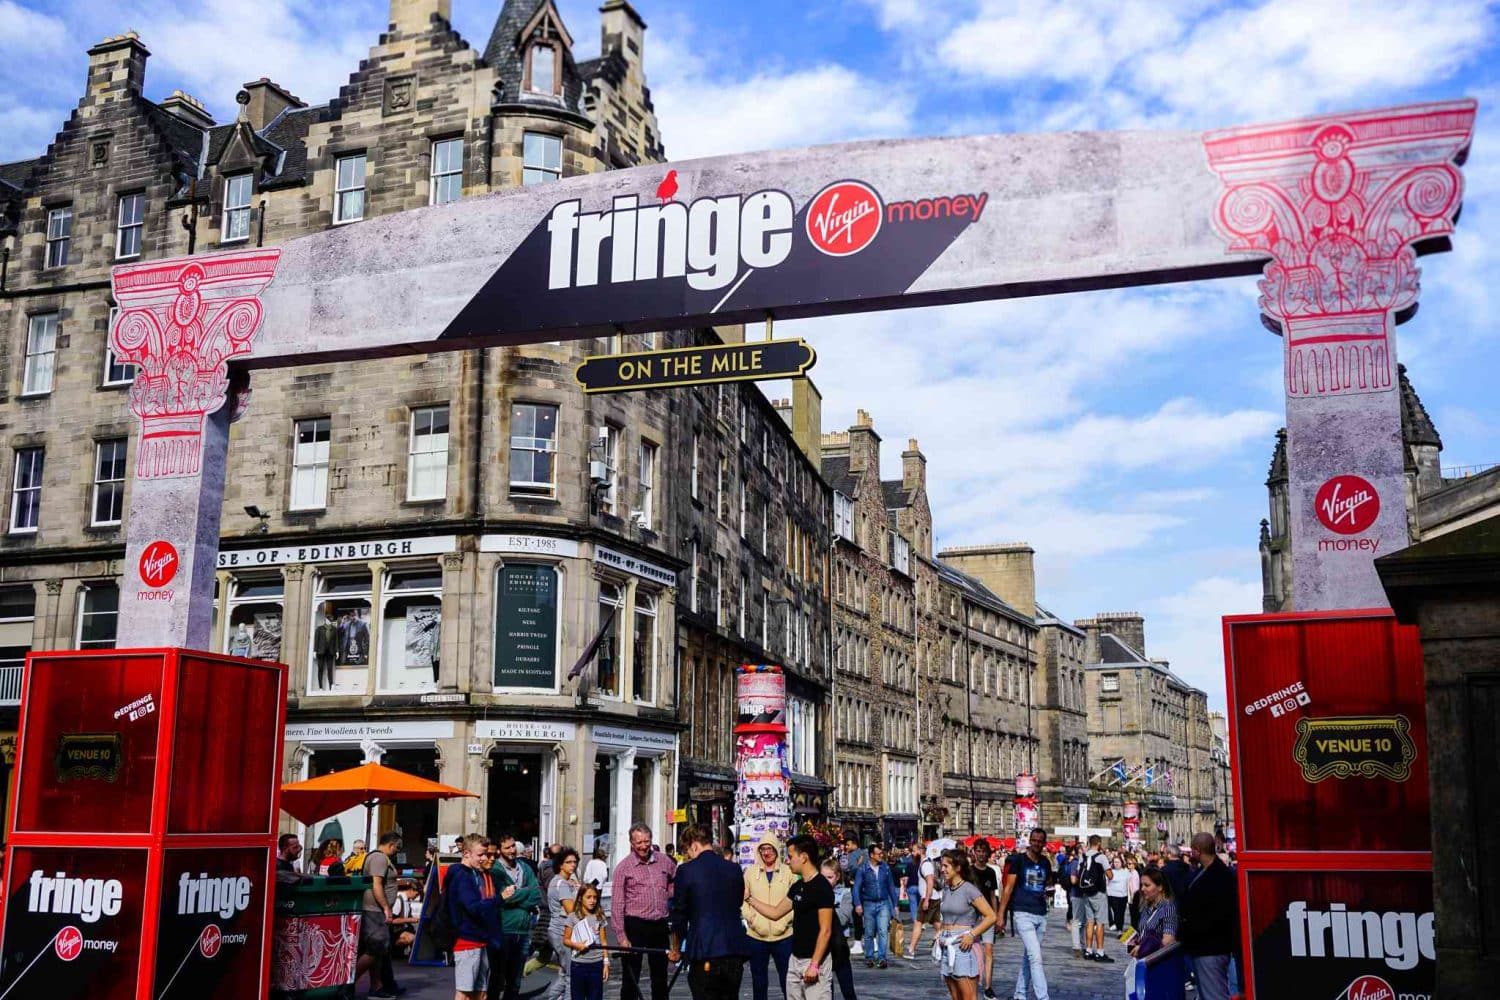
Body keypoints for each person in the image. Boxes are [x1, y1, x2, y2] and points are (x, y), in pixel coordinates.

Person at [745, 835, 834, 1000]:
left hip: (814, 960)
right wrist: (749, 899)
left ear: (804, 857)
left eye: (791, 856)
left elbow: (826, 930)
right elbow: (775, 912)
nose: (788, 860)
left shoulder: (821, 887)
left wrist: (814, 965)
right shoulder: (797, 887)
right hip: (795, 959)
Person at [668, 824, 751, 1000]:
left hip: (704, 949)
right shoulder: (733, 868)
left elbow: (679, 914)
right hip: (733, 949)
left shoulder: (686, 871)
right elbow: (737, 902)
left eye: (688, 851)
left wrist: (676, 947)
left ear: (694, 845)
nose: (688, 856)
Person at [610, 823, 677, 1000]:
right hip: (635, 925)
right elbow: (617, 904)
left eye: (646, 841)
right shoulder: (623, 868)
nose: (643, 846)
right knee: (631, 977)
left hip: (659, 925)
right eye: (638, 842)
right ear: (631, 843)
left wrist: (667, 893)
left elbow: (675, 880)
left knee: (660, 976)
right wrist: (621, 937)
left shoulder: (664, 861)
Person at [996, 827, 1054, 1000]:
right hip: (1022, 913)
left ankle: (1020, 994)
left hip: (1041, 913)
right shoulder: (1019, 861)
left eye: (1039, 841)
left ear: (1044, 843)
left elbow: (1049, 884)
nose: (1036, 843)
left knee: (1029, 957)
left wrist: (1050, 890)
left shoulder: (1045, 862)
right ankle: (1043, 997)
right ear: (1030, 841)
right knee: (1036, 957)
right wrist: (1001, 914)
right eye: (1034, 840)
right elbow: (1008, 889)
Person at [1179, 833, 1239, 1000]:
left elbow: (1216, 913)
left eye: (1192, 850)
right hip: (1204, 945)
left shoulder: (1219, 875)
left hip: (1211, 946)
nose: (1191, 853)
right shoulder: (1204, 872)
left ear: (1198, 850)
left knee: (1214, 995)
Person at [935, 850, 996, 1000]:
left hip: (963, 946)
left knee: (968, 997)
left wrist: (972, 935)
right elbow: (948, 916)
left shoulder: (969, 889)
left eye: (946, 866)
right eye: (942, 866)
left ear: (958, 868)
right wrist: (940, 931)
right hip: (946, 945)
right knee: (955, 997)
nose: (942, 869)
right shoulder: (947, 888)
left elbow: (991, 916)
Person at [450, 833, 504, 1000]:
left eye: (486, 854)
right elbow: (473, 907)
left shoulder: (476, 874)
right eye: (480, 854)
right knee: (464, 993)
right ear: (466, 853)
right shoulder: (462, 875)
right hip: (467, 939)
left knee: (480, 994)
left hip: (481, 938)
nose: (484, 858)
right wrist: (500, 898)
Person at [742, 836, 796, 1000]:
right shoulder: (750, 873)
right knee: (759, 983)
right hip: (756, 936)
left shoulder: (788, 872)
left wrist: (785, 921)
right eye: (763, 849)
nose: (766, 853)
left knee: (787, 981)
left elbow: (796, 900)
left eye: (770, 849)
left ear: (776, 850)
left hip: (784, 936)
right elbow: (742, 899)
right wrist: (752, 919)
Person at [492, 834, 544, 1000]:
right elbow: (502, 898)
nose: (512, 850)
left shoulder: (525, 868)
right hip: (504, 928)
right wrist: (525, 893)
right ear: (500, 850)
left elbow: (537, 894)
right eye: (507, 847)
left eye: (513, 846)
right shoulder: (495, 870)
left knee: (515, 980)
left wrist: (517, 894)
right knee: (498, 977)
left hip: (523, 930)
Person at [1129, 867, 1187, 1000]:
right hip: (1144, 964)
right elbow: (1143, 932)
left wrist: (1144, 948)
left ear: (1160, 887)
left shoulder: (1168, 907)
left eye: (1147, 885)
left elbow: (1169, 940)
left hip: (1161, 966)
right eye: (1142, 885)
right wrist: (1133, 942)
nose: (1142, 889)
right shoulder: (1146, 906)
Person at [357, 831, 401, 1000]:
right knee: (376, 947)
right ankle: (348, 983)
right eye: (397, 847)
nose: (397, 851)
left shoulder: (380, 858)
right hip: (374, 910)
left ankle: (376, 986)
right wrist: (386, 908)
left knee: (377, 950)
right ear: (391, 844)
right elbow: (377, 885)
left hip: (375, 910)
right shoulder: (379, 858)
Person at [851, 843, 898, 969]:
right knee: (869, 932)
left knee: (883, 931)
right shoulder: (863, 869)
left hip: (883, 903)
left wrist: (895, 904)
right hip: (868, 903)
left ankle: (882, 958)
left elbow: (891, 887)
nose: (881, 855)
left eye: (882, 853)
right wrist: (857, 904)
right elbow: (856, 888)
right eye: (879, 854)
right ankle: (870, 957)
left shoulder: (885, 868)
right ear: (871, 855)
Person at [544, 848, 582, 1000]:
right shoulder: (562, 883)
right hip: (562, 930)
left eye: (574, 862)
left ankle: (552, 997)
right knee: (571, 975)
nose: (572, 865)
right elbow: (571, 910)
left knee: (564, 972)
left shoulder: (560, 882)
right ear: (560, 865)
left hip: (557, 929)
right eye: (568, 862)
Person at [564, 884, 611, 1000]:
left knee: (595, 996)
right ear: (580, 898)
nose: (592, 900)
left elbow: (604, 941)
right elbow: (566, 939)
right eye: (588, 897)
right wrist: (576, 945)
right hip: (578, 964)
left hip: (596, 964)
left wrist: (606, 963)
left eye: (595, 897)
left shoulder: (599, 916)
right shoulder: (572, 917)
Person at [820, 860, 858, 1000]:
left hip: (839, 945)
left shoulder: (845, 893)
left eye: (829, 877)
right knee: (825, 990)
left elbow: (843, 918)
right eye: (823, 877)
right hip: (822, 946)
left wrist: (824, 909)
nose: (826, 881)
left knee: (847, 989)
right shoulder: (816, 893)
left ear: (837, 876)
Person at [967, 841, 1000, 1000]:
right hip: (972, 916)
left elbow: (993, 896)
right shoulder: (969, 872)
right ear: (974, 852)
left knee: (988, 950)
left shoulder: (991, 872)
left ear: (987, 853)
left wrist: (996, 916)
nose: (980, 854)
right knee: (971, 949)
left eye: (983, 851)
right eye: (978, 851)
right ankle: (971, 981)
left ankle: (988, 986)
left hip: (987, 916)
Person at [1076, 835, 1112, 963]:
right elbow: (1110, 875)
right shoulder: (1101, 857)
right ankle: (1100, 952)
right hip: (1098, 892)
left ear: (1089, 843)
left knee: (1089, 922)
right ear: (1099, 843)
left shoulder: (1083, 856)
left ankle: (1088, 949)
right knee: (1100, 922)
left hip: (1086, 892)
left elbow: (1078, 872)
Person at [906, 843, 944, 961]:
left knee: (918, 923)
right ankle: (943, 937)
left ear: (920, 851)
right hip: (933, 897)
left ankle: (911, 950)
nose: (912, 853)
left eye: (914, 851)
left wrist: (926, 899)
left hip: (929, 898)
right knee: (937, 923)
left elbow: (930, 882)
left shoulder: (926, 864)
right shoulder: (922, 863)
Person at [900, 843, 926, 959]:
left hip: (911, 886)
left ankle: (917, 921)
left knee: (914, 907)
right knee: (920, 905)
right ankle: (921, 922)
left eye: (914, 851)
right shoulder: (924, 864)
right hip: (920, 888)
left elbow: (906, 877)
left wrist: (905, 887)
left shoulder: (910, 864)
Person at [1106, 855, 1130, 932]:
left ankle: (1120, 927)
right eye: (1114, 862)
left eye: (1118, 862)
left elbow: (1129, 882)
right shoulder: (1110, 871)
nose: (1116, 864)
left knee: (1121, 913)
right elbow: (1106, 882)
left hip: (1123, 895)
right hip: (1113, 895)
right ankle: (1119, 929)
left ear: (1121, 863)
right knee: (1116, 912)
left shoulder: (1126, 871)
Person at [1127, 856, 1143, 930]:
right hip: (1131, 897)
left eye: (1130, 864)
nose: (1128, 865)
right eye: (1127, 864)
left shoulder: (1134, 874)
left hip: (1134, 898)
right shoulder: (1130, 872)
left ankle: (1134, 932)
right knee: (1133, 917)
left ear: (1134, 864)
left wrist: (1133, 898)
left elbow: (1135, 888)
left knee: (1134, 917)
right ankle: (1133, 932)